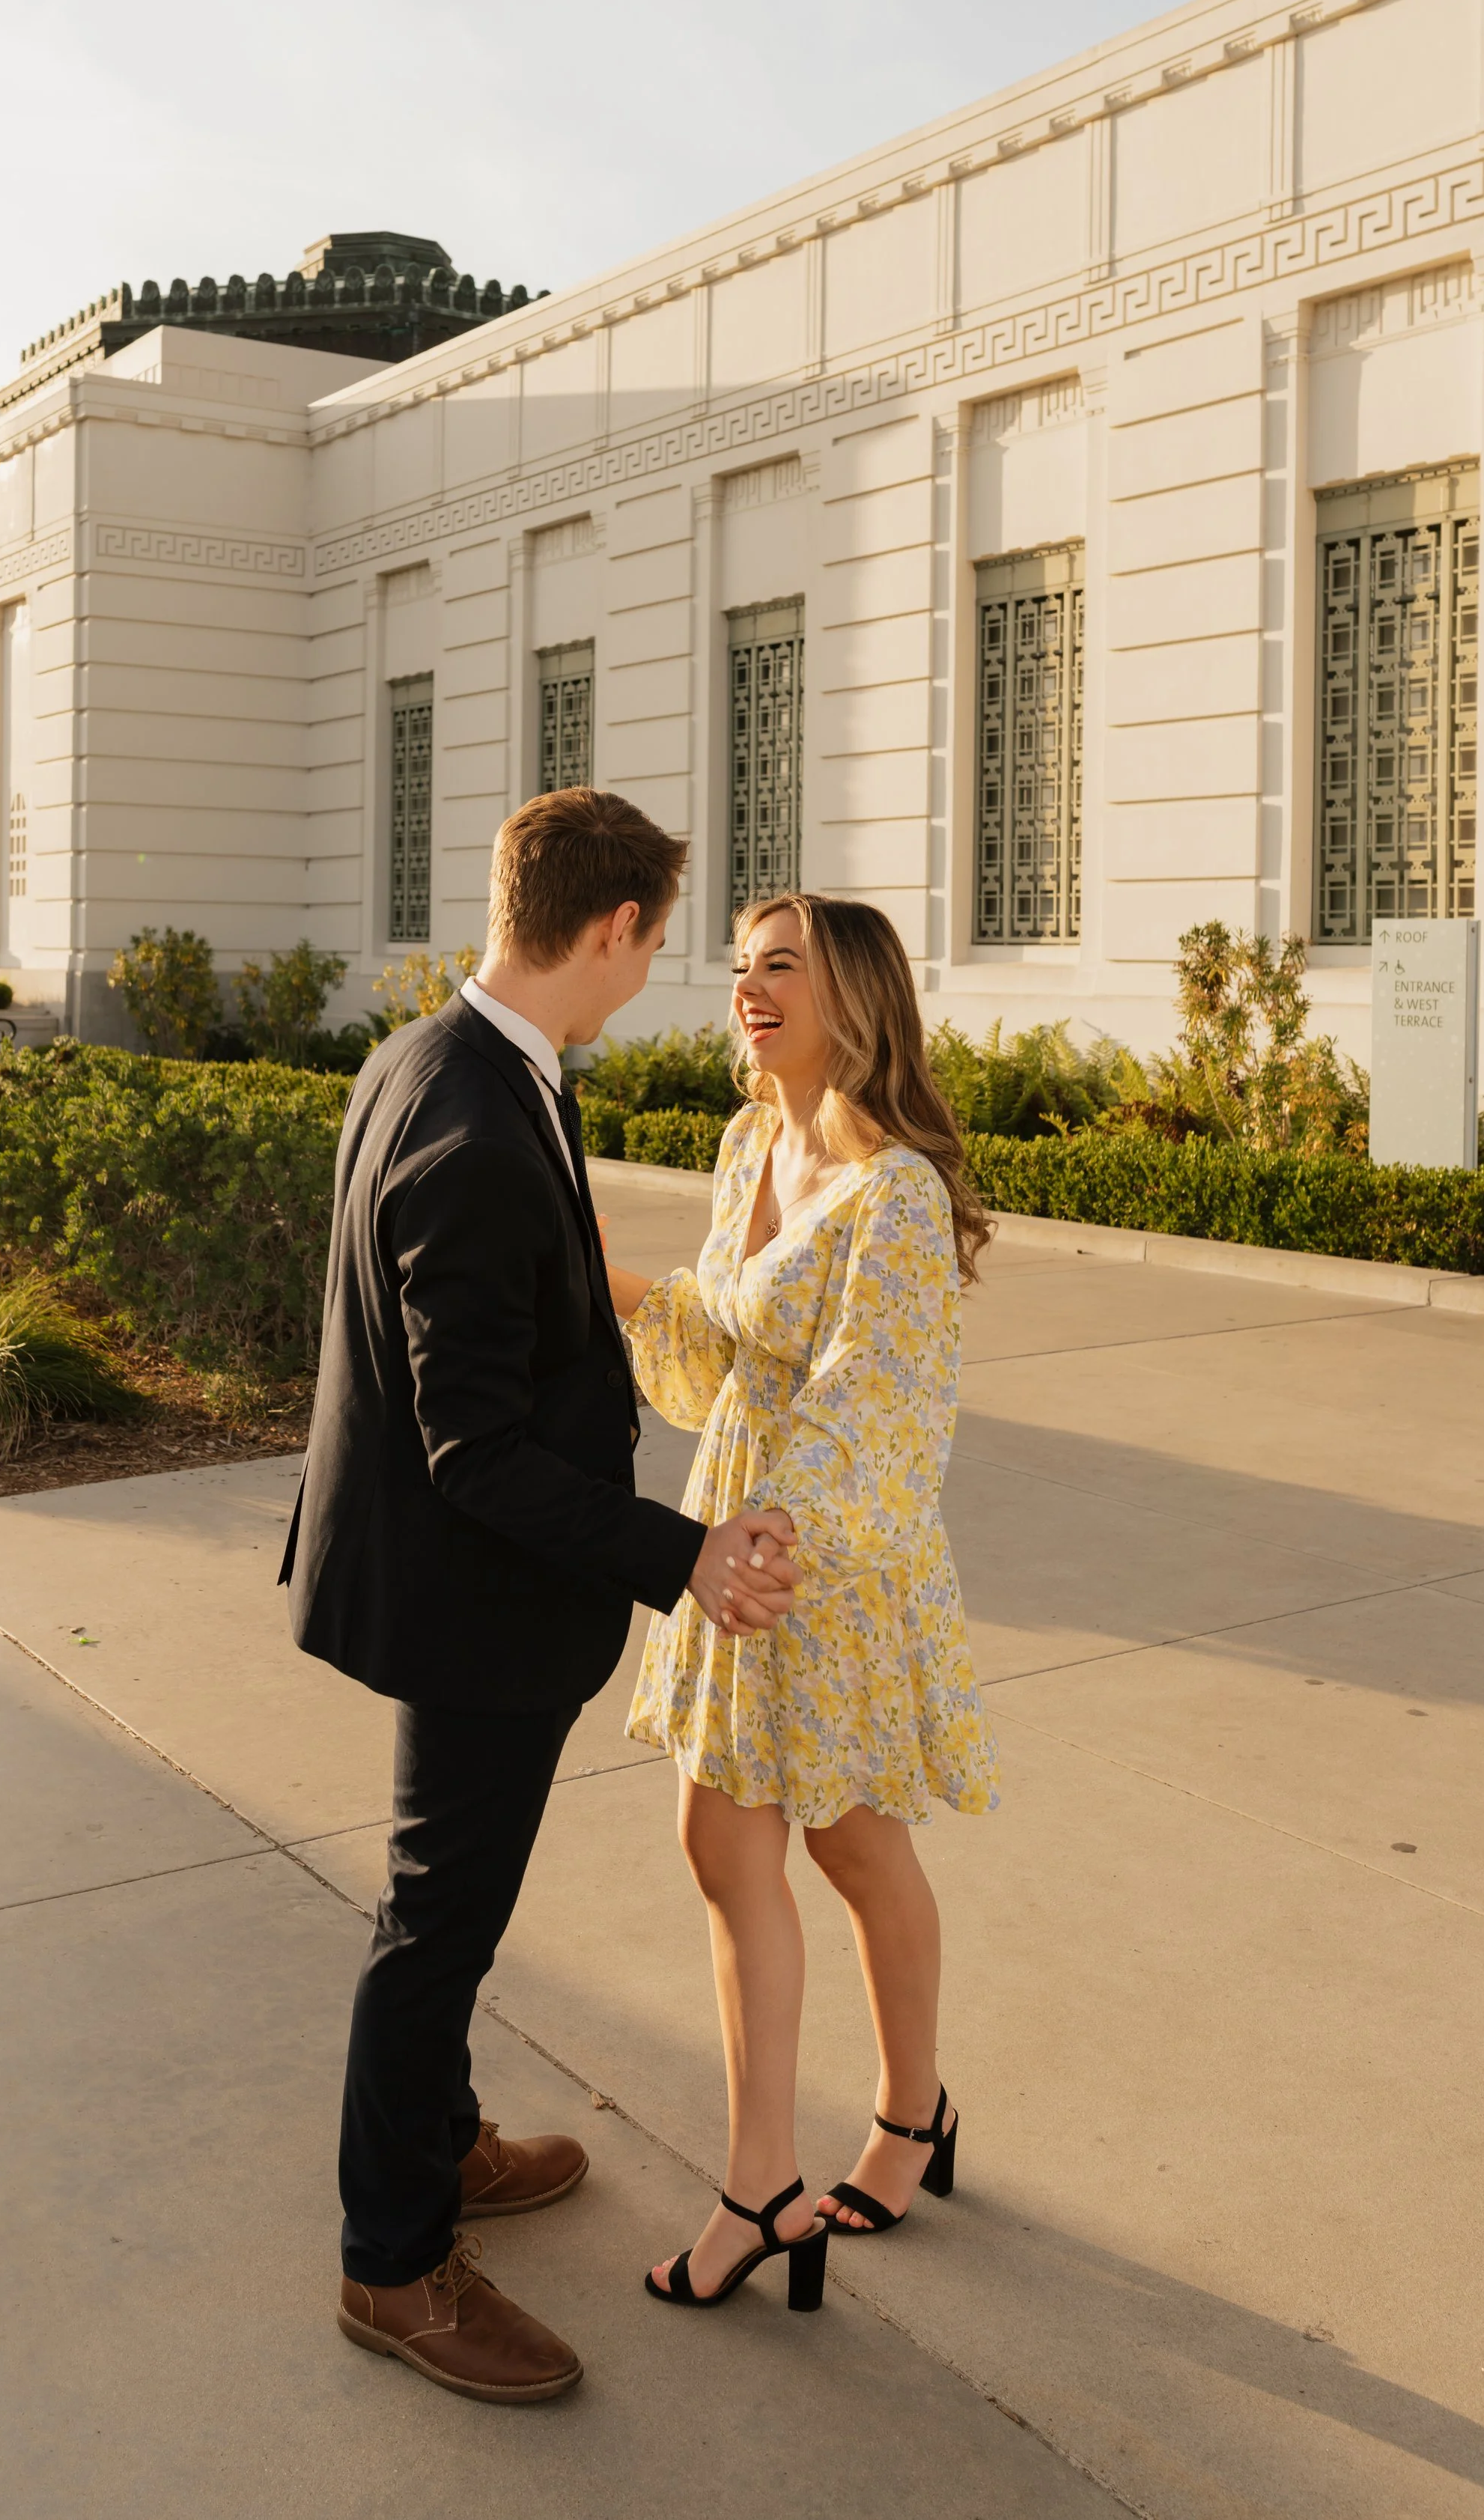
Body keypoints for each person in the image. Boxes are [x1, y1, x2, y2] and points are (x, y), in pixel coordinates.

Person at [283, 787, 802, 2404]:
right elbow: (475, 1450)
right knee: (435, 1924)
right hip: (474, 1602)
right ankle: (393, 2263)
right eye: (655, 944)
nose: (655, 972)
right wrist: (683, 1553)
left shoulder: (439, 1056)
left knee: (443, 1909)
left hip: (455, 1586)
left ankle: (441, 2142)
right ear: (612, 928)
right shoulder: (477, 1126)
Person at [603, 892, 1000, 2311]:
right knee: (727, 1837)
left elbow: (874, 1401)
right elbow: (721, 1342)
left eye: (784, 965)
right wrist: (588, 1270)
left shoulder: (896, 1193)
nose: (749, 986)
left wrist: (775, 1537)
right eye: (743, 965)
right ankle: (766, 2181)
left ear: (855, 999)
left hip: (820, 1553)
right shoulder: (747, 1142)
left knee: (853, 1845)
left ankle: (907, 2113)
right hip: (737, 1530)